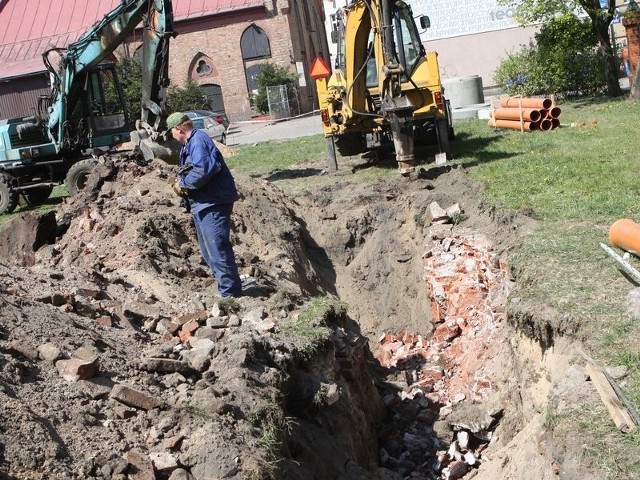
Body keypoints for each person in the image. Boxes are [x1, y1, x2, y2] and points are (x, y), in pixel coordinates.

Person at [166, 111, 243, 297]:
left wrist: (183, 185)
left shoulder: (199, 141)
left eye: (171, 132)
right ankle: (225, 287)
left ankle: (230, 292)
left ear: (178, 129)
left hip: (213, 202)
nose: (171, 136)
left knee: (216, 247)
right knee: (208, 250)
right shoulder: (190, 144)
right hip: (203, 203)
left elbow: (203, 169)